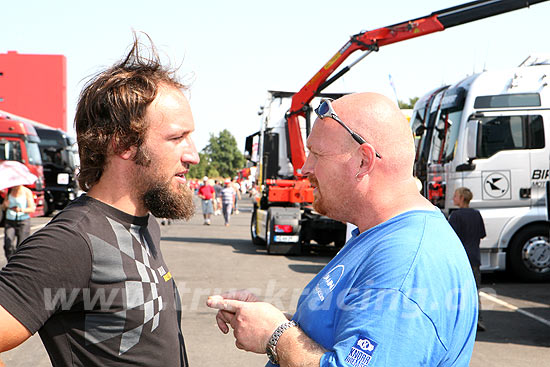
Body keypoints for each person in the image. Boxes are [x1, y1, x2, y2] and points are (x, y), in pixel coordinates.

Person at [207, 93, 478, 366]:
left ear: (363, 161)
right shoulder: (380, 236)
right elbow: (345, 334)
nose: (304, 168)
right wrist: (269, 320)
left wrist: (275, 336)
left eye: (317, 154)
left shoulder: (406, 262)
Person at [0, 35, 199, 366]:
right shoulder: (71, 242)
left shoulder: (146, 222)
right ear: (124, 144)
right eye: (177, 138)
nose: (193, 154)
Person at [449, 187, 487, 331]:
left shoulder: (455, 216)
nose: (453, 198)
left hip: (461, 259)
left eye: (455, 196)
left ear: (462, 199)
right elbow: (482, 234)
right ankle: (479, 319)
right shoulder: (476, 214)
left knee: (457, 291)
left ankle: (460, 323)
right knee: (474, 290)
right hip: (475, 257)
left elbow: (451, 237)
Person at [2, 184, 36, 260]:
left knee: (21, 246)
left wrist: (21, 210)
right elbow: (3, 207)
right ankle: (11, 262)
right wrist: (5, 205)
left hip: (23, 221)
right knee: (8, 244)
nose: (15, 186)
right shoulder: (10, 191)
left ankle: (19, 262)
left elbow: (32, 209)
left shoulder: (27, 191)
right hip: (10, 221)